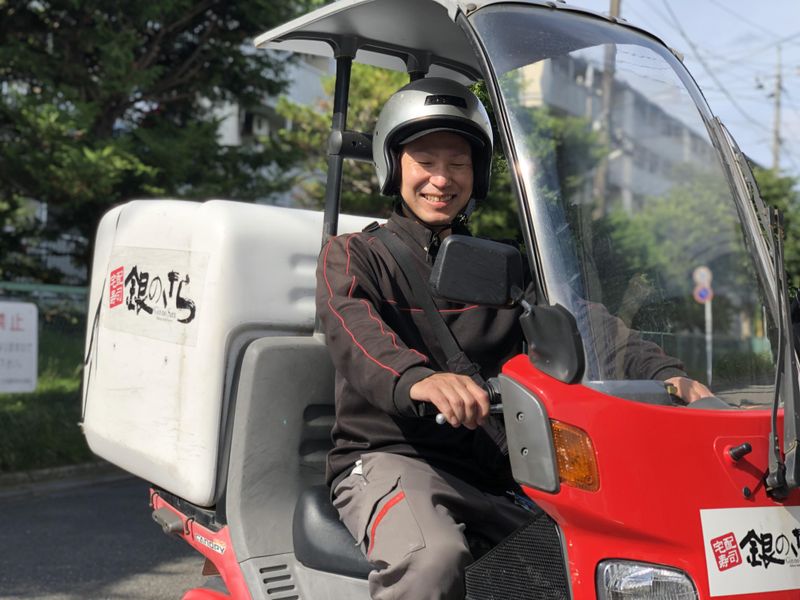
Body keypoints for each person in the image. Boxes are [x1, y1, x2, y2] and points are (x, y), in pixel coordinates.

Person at [315, 77, 710, 600]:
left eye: (458, 164)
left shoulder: (499, 267)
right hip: (390, 457)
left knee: (589, 558)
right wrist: (419, 379)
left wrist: (667, 376)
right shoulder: (356, 255)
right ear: (393, 166)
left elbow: (583, 324)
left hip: (491, 467)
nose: (441, 178)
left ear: (477, 174)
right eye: (425, 161)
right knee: (432, 560)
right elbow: (354, 331)